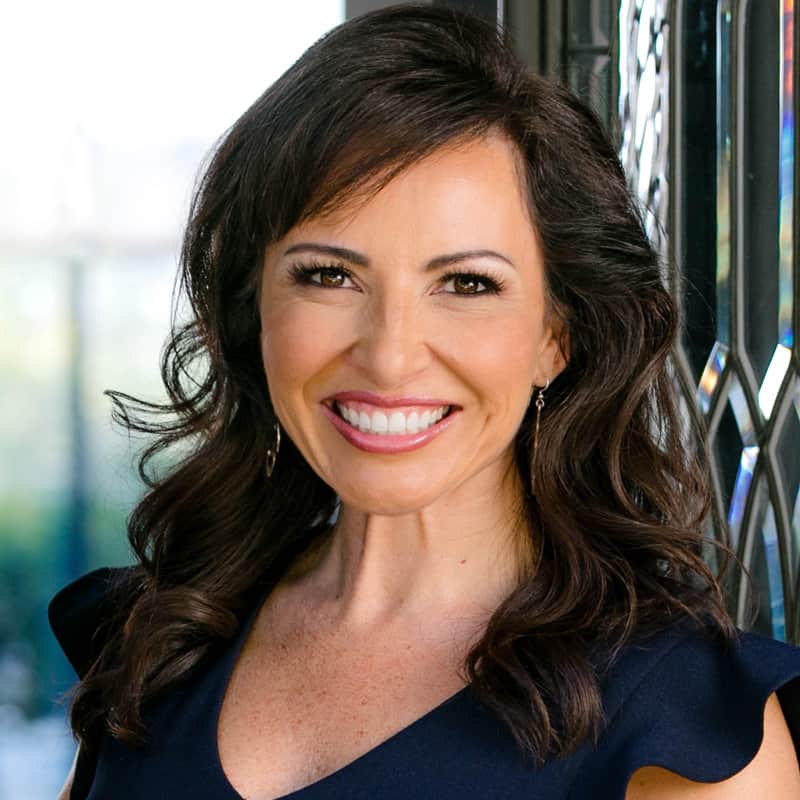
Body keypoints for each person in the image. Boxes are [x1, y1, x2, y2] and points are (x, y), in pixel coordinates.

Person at [49, 4, 800, 799]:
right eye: (329, 276)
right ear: (255, 306)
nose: (389, 355)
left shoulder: (682, 725)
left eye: (467, 284)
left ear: (557, 336)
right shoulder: (163, 637)